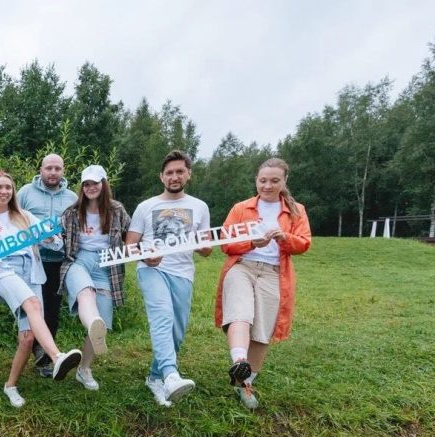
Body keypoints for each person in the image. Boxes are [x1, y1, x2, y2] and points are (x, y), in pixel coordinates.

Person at [0, 170, 82, 408]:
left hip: (32, 271)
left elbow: (56, 243)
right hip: (4, 271)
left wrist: (50, 240)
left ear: (13, 191)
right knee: (34, 304)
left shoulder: (24, 217)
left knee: (27, 338)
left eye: (8, 187)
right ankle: (57, 357)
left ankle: (10, 386)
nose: (3, 191)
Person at [215, 157, 312, 409]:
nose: (267, 185)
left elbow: (304, 243)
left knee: (262, 329)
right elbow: (225, 243)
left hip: (273, 273)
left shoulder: (296, 210)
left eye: (274, 181)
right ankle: (239, 360)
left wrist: (284, 238)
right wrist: (250, 243)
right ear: (256, 180)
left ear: (284, 181)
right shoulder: (241, 208)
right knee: (240, 312)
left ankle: (244, 384)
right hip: (242, 266)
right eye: (262, 180)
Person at [125, 150, 211, 407]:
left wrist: (198, 243)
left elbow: (207, 250)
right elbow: (130, 246)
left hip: (183, 273)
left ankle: (154, 377)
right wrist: (144, 256)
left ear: (188, 174)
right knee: (161, 314)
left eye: (179, 172)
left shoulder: (199, 207)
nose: (174, 177)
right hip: (151, 270)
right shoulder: (146, 206)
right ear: (161, 176)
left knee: (177, 331)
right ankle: (171, 375)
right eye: (169, 173)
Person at [59, 165, 131, 391]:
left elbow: (132, 235)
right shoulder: (72, 212)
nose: (91, 188)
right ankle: (92, 323)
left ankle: (84, 369)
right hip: (78, 261)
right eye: (86, 184)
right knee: (85, 291)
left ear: (104, 184)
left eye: (95, 183)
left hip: (106, 265)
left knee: (104, 315)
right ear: (82, 187)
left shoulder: (117, 210)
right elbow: (59, 237)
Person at [17, 154, 78, 376]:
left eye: (57, 168)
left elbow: (75, 226)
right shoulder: (24, 193)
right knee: (31, 308)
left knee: (51, 310)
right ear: (40, 169)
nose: (53, 172)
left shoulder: (72, 197)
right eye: (49, 168)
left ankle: (44, 358)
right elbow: (13, 219)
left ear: (63, 171)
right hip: (30, 260)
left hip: (56, 261)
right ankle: (27, 348)